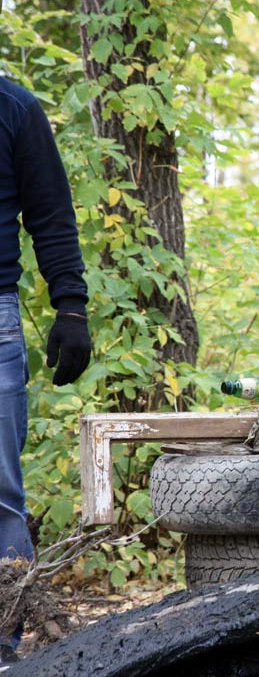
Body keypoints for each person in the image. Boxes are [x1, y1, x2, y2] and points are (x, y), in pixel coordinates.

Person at [0, 75, 91, 668]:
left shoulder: (13, 107)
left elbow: (51, 212)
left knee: (0, 500)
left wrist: (72, 306)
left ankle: (3, 647)